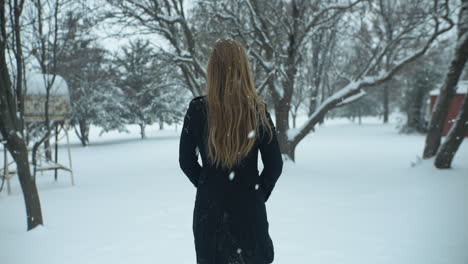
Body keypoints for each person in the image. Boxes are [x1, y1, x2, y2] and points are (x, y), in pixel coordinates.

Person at [179, 39, 283, 264]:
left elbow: (186, 162)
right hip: (249, 214)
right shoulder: (257, 110)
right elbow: (275, 165)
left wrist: (209, 187)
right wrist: (255, 194)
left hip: (210, 215)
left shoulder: (197, 110)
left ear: (212, 70)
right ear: (243, 69)